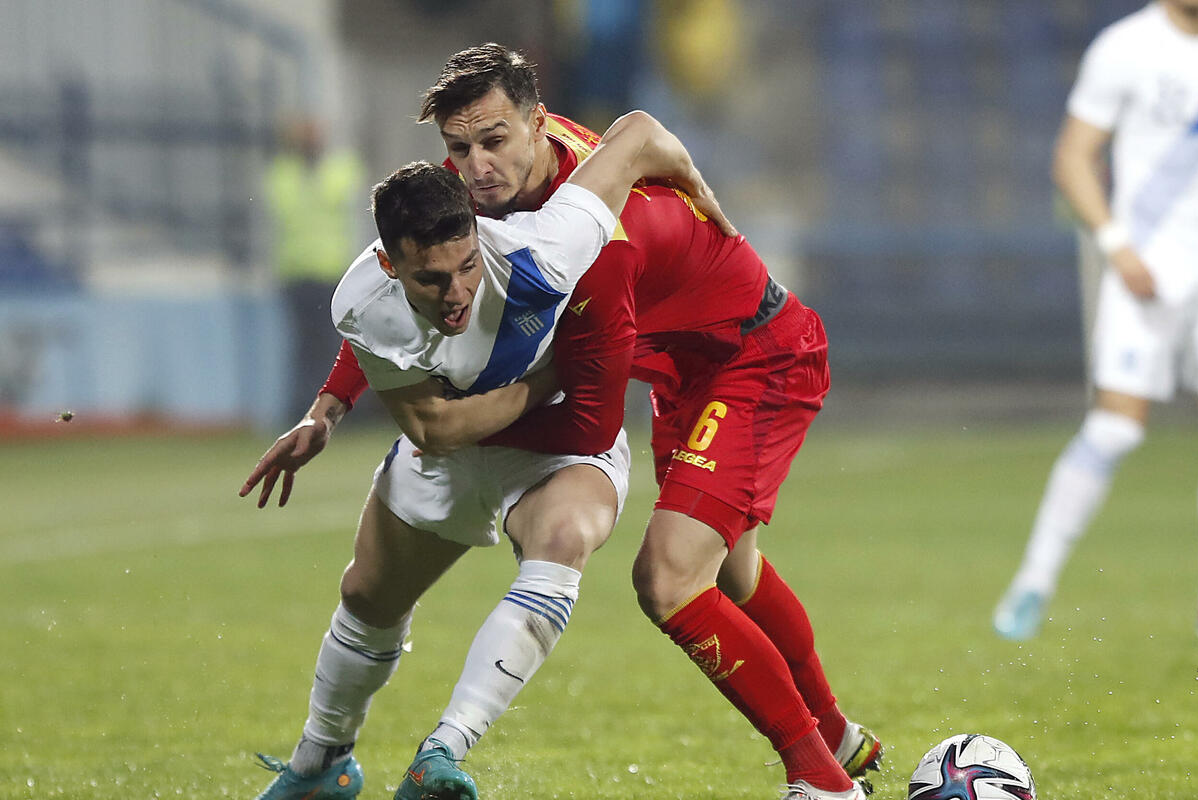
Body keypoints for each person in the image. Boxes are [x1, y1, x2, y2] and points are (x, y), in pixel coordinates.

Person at [243, 44, 879, 800]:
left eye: (493, 141)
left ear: (538, 123)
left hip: (754, 355)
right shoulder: (479, 190)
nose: (476, 167)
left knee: (669, 578)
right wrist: (332, 404)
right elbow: (404, 297)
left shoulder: (592, 242)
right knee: (733, 574)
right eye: (459, 149)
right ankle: (837, 736)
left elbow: (588, 424)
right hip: (674, 366)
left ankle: (820, 779)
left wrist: (458, 427)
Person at [993, 0, 1198, 641]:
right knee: (1115, 428)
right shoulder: (1126, 46)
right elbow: (1073, 157)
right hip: (1147, 273)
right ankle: (1034, 580)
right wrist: (1116, 246)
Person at [264, 117, 366, 421]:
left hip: (333, 272)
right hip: (298, 273)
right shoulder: (284, 173)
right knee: (305, 347)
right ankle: (305, 410)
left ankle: (335, 407)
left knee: (334, 347)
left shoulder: (338, 168)